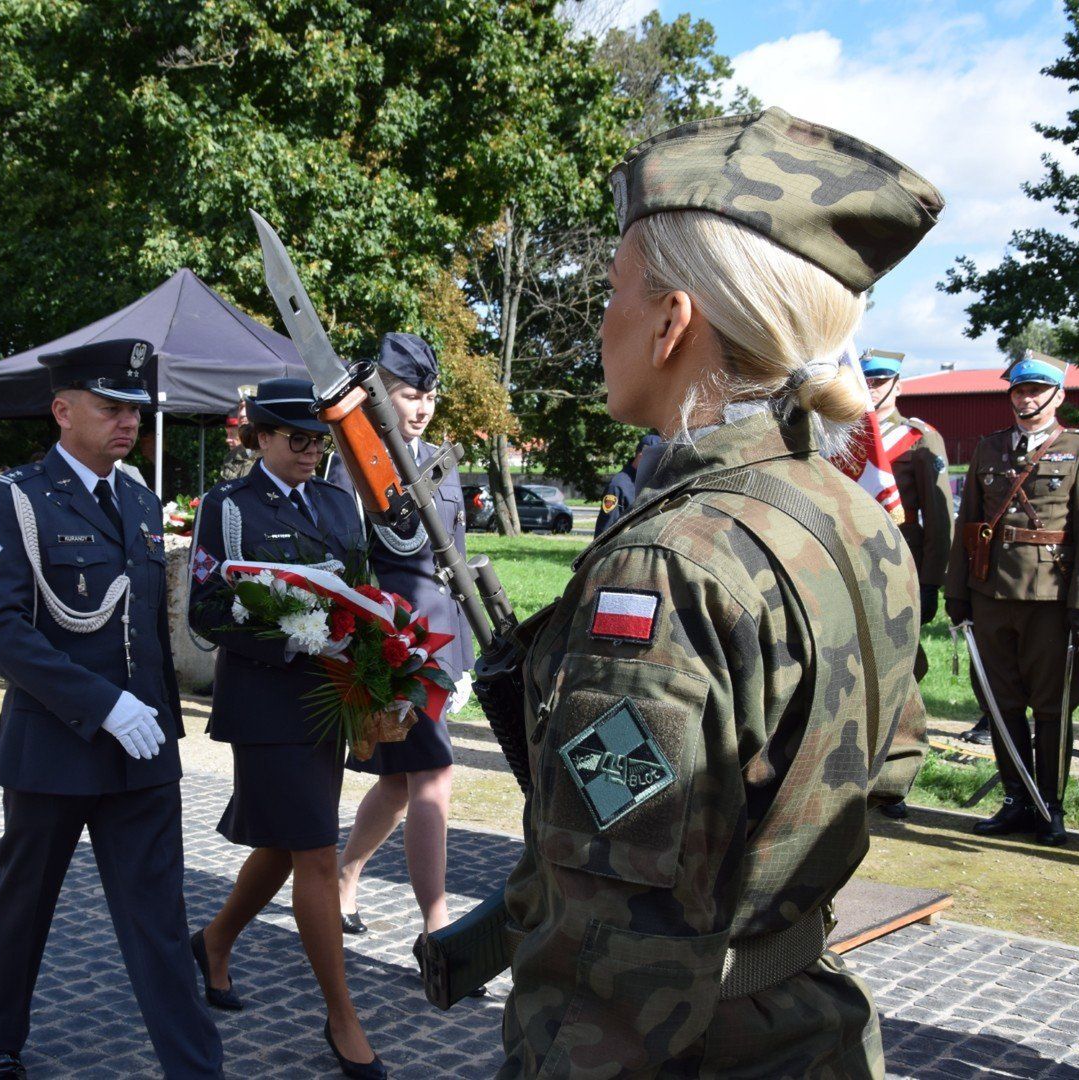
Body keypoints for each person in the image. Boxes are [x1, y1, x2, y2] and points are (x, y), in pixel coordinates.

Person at [498, 107, 934, 1078]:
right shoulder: (850, 517)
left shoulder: (670, 565)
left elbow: (611, 949)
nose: (598, 325)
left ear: (670, 320)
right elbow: (890, 766)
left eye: (612, 292)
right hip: (801, 1029)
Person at [0, 338, 221, 1080]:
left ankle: (194, 1067)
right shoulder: (16, 498)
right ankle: (0, 1043)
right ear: (62, 409)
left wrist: (150, 716)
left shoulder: (140, 500)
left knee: (159, 922)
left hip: (141, 750)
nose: (127, 422)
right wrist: (102, 704)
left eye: (134, 410)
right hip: (53, 747)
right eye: (110, 408)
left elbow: (143, 625)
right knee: (23, 908)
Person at [189, 378, 385, 1079]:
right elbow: (205, 613)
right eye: (295, 438)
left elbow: (363, 595)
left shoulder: (339, 502)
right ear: (260, 437)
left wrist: (380, 665)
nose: (309, 451)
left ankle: (212, 942)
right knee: (316, 854)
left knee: (281, 844)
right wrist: (292, 639)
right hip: (266, 703)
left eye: (317, 439)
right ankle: (342, 1018)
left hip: (328, 702)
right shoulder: (228, 508)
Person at [325, 334, 475, 952]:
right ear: (381, 394)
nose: (421, 408)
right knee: (433, 775)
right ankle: (437, 929)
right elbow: (349, 564)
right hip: (394, 647)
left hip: (442, 646)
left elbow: (456, 560)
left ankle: (344, 876)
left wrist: (463, 657)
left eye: (430, 396)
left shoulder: (441, 460)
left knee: (396, 784)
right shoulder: (356, 462)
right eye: (409, 394)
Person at [945, 351, 1079, 846]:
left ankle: (1048, 805)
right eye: (1018, 391)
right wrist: (957, 592)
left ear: (1058, 396)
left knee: (1052, 706)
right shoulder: (990, 447)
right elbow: (968, 524)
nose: (1026, 399)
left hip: (1050, 599)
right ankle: (1016, 800)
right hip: (990, 592)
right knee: (1001, 703)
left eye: (1036, 391)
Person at [863, 348, 954, 818]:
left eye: (880, 381)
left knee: (903, 674)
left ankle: (895, 777)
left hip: (903, 573)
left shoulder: (920, 439)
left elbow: (938, 521)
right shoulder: (843, 432)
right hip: (851, 570)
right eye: (866, 381)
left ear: (897, 385)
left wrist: (933, 581)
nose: (871, 388)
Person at [593, 432, 661, 535]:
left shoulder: (653, 483)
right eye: (655, 458)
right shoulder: (618, 486)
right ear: (640, 456)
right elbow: (604, 533)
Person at [217, 410, 256, 481]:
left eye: (232, 434)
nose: (227, 440)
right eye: (227, 434)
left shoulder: (266, 456)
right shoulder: (230, 458)